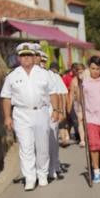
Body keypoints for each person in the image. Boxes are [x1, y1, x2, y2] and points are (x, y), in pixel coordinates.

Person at [0, 42, 60, 191]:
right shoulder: (12, 76)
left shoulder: (44, 74)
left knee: (42, 146)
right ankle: (30, 177)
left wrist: (56, 109)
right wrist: (7, 117)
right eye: (23, 56)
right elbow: (6, 97)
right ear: (19, 58)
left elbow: (53, 93)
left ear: (34, 57)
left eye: (29, 55)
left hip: (41, 112)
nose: (26, 58)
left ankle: (43, 174)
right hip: (21, 114)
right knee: (26, 147)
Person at [36, 50, 67, 180]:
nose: (41, 63)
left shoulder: (53, 76)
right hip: (35, 111)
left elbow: (60, 94)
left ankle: (53, 166)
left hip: (50, 110)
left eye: (43, 61)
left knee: (52, 141)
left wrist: (60, 111)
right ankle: (38, 170)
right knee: (36, 142)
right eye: (39, 59)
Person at [67, 63, 86, 147]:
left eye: (82, 72)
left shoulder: (88, 80)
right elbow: (71, 95)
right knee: (80, 120)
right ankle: (82, 140)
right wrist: (69, 107)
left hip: (88, 104)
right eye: (79, 72)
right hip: (78, 104)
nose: (80, 74)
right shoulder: (73, 81)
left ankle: (88, 137)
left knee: (87, 122)